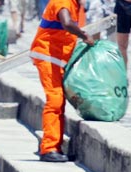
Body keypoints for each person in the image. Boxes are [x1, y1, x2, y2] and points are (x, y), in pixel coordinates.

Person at [30, 0, 94, 162]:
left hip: (57, 58)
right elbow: (66, 23)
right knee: (55, 100)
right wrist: (84, 36)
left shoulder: (76, 5)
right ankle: (48, 149)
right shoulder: (63, 1)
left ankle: (55, 147)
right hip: (47, 56)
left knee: (59, 102)